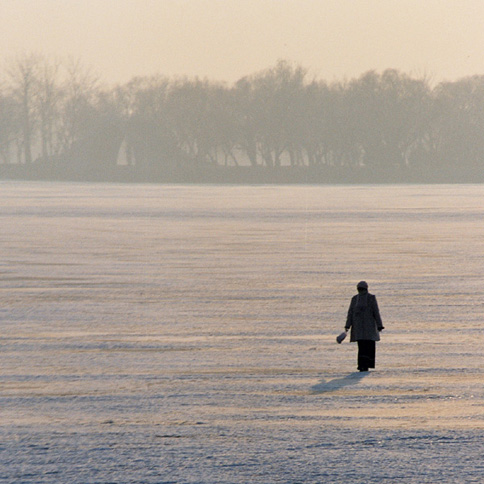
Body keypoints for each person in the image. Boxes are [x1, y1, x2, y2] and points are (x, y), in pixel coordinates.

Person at [344, 281, 384, 372]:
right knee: (361, 347)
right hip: (358, 327)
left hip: (369, 327)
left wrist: (379, 325)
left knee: (369, 346)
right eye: (359, 289)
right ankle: (361, 365)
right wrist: (347, 325)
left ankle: (367, 364)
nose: (360, 291)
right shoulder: (354, 299)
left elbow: (376, 312)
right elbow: (350, 313)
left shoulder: (371, 298)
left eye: (362, 289)